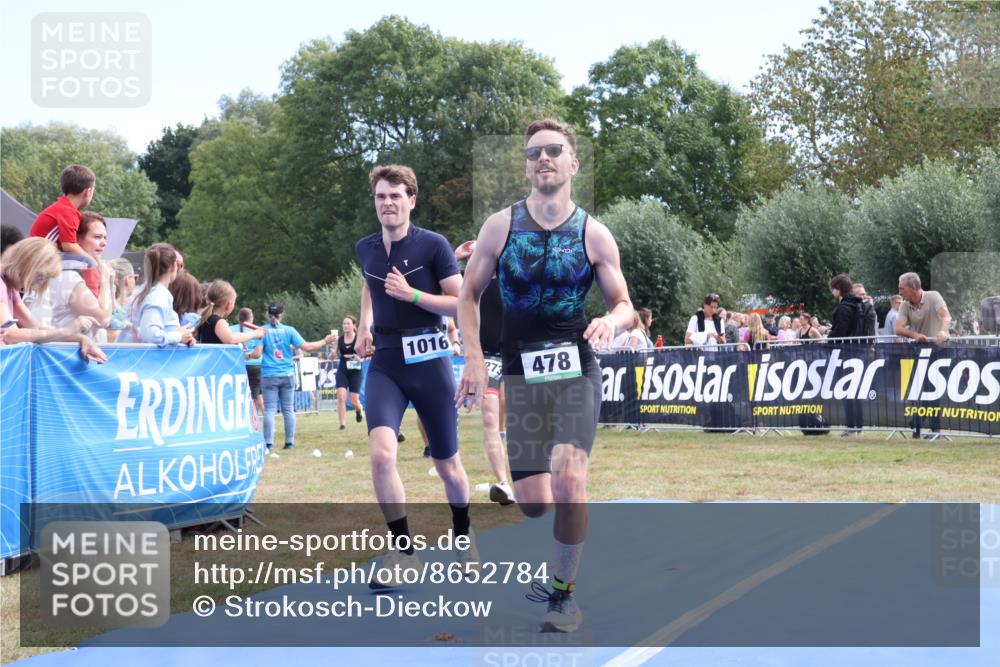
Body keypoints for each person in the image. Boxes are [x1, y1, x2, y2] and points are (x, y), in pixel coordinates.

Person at [456, 119, 633, 633]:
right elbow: (467, 295)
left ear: (573, 163)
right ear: (527, 166)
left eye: (554, 150)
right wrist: (471, 356)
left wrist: (609, 319)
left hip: (577, 369)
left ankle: (563, 594)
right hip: (520, 372)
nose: (543, 159)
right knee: (534, 504)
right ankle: (563, 519)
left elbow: (624, 304)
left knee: (570, 476)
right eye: (534, 153)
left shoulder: (594, 233)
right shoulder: (500, 226)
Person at [354, 164, 478, 585]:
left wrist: (414, 296)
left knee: (447, 465)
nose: (387, 203)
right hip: (386, 362)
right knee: (382, 455)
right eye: (380, 196)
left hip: (429, 360)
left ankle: (464, 536)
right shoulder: (366, 247)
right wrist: (365, 324)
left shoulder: (434, 245)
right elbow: (369, 284)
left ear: (411, 199)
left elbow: (462, 304)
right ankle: (405, 554)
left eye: (395, 195)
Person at [455, 239, 514, 504]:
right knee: (489, 415)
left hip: (518, 352)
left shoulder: (513, 274)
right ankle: (503, 483)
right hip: (487, 355)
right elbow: (435, 285)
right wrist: (455, 257)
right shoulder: (468, 282)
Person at [0, 237, 105, 361]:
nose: (39, 284)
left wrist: (80, 338)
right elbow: (11, 335)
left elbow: (35, 328)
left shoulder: (11, 286)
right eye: (40, 276)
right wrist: (67, 330)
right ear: (28, 264)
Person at [260, 303, 336, 451]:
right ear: (281, 315)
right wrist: (325, 341)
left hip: (269, 374)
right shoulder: (289, 331)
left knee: (269, 409)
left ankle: (268, 444)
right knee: (288, 409)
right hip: (287, 374)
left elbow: (257, 353)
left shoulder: (262, 331)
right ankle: (289, 443)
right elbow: (307, 347)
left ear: (268, 314)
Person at [895, 272, 952, 438]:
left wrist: (942, 331)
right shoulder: (905, 304)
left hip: (940, 350)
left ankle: (934, 430)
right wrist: (915, 336)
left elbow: (946, 316)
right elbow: (898, 328)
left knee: (933, 392)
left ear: (914, 287)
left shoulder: (933, 296)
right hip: (921, 351)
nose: (899, 292)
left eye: (901, 288)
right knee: (918, 390)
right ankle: (917, 426)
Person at [47, 212, 114, 340]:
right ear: (76, 239)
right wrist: (105, 279)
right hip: (64, 354)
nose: (104, 243)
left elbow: (112, 313)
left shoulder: (81, 272)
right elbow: (103, 319)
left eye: (105, 237)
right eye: (97, 237)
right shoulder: (68, 276)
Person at [28, 164, 95, 259]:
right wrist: (92, 262)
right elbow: (69, 246)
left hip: (35, 256)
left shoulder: (62, 207)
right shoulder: (68, 212)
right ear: (88, 192)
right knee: (87, 264)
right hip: (37, 259)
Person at [829, 273, 865, 435]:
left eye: (833, 289)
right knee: (856, 391)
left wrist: (828, 338)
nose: (832, 292)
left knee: (847, 390)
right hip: (858, 352)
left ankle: (851, 425)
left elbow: (839, 333)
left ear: (838, 290)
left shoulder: (844, 308)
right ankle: (858, 425)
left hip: (844, 354)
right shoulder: (859, 305)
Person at [195, 281, 265, 350]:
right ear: (229, 305)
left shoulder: (206, 318)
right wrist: (254, 334)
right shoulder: (219, 322)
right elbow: (231, 338)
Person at [232, 307, 265, 416]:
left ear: (238, 317)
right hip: (255, 366)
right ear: (251, 318)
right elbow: (258, 354)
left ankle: (243, 419)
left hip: (237, 366)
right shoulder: (258, 331)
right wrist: (249, 356)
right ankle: (254, 422)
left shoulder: (230, 329)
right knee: (254, 396)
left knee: (239, 395)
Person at [334, 314, 365, 430]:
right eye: (344, 323)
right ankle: (342, 424)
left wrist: (360, 358)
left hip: (355, 370)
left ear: (353, 326)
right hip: (343, 368)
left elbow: (364, 355)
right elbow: (333, 355)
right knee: (341, 396)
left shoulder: (359, 338)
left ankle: (359, 409)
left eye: (348, 323)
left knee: (353, 400)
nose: (345, 325)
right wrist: (332, 353)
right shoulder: (339, 339)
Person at [106, 258, 138, 342]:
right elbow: (111, 337)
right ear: (128, 279)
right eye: (135, 277)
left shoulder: (104, 305)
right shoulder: (113, 308)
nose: (135, 281)